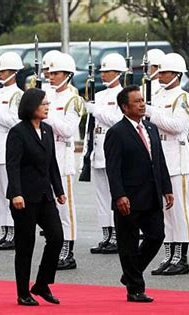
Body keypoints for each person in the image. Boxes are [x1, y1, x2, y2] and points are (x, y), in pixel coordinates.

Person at [104, 85, 173, 302]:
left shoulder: (151, 129)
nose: (142, 104)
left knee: (156, 236)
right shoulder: (116, 132)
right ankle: (135, 288)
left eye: (142, 100)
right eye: (137, 101)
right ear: (125, 107)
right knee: (128, 244)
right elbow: (112, 169)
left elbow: (159, 161)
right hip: (129, 198)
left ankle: (130, 274)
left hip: (152, 194)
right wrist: (119, 195)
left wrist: (167, 188)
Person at [6, 88, 65, 306]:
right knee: (26, 244)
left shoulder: (48, 130)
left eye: (48, 103)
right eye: (44, 104)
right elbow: (12, 166)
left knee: (57, 237)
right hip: (24, 198)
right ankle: (23, 292)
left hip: (45, 196)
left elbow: (52, 163)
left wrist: (59, 190)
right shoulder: (18, 132)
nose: (47, 106)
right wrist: (16, 193)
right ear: (32, 106)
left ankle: (41, 283)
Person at [145, 53, 189, 275]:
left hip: (176, 157)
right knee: (164, 211)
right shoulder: (156, 95)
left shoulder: (184, 98)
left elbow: (176, 125)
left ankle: (181, 257)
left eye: (164, 72)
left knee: (178, 210)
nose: (160, 75)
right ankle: (168, 254)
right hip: (159, 156)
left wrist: (152, 113)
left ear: (176, 74)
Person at [46, 52, 84, 270]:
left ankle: (68, 251)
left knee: (65, 207)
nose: (51, 77)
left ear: (68, 75)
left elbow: (69, 130)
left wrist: (47, 117)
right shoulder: (47, 95)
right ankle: (55, 246)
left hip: (62, 157)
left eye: (56, 73)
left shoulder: (74, 100)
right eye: (50, 73)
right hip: (46, 156)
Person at [84, 53, 125, 254]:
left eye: (107, 71)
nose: (103, 75)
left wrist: (96, 111)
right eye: (102, 72)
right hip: (97, 150)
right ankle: (106, 234)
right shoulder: (98, 96)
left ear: (118, 73)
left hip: (113, 149)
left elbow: (117, 121)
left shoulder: (123, 95)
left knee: (113, 194)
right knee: (100, 196)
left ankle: (117, 234)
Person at [0, 52, 24, 251]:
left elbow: (14, 121)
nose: (0, 74)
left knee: (10, 192)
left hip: (6, 143)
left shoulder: (17, 95)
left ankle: (14, 232)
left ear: (13, 72)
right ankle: (4, 231)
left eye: (4, 71)